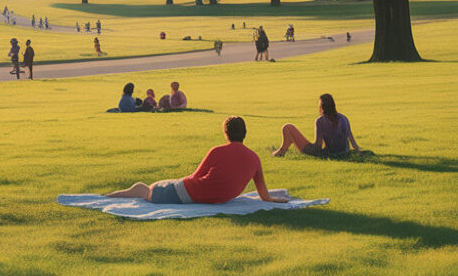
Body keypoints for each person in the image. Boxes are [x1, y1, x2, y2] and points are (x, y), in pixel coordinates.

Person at [105, 116, 288, 204]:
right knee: (162, 184)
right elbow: (264, 196)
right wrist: (279, 201)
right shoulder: (254, 159)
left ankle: (108, 198)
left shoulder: (217, 151)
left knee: (145, 189)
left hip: (187, 193)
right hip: (201, 194)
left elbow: (193, 178)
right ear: (245, 133)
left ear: (226, 134)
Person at [271, 93, 362, 158]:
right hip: (343, 152)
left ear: (321, 106)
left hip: (325, 154)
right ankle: (284, 148)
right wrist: (357, 151)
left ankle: (281, 152)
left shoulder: (320, 121)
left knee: (287, 127)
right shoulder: (344, 118)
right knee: (291, 137)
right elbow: (353, 143)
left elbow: (318, 145)